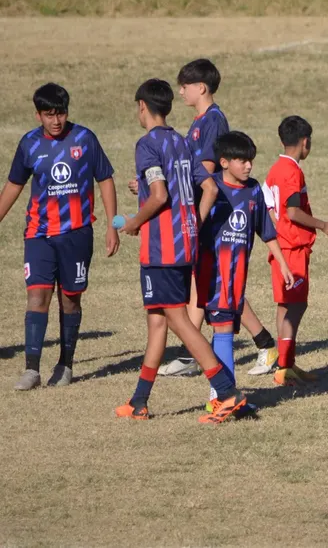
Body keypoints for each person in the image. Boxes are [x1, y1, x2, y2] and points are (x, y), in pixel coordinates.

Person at [115, 79, 247, 423]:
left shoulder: (147, 145)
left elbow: (158, 195)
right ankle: (139, 402)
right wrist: (193, 222)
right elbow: (208, 187)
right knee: (157, 322)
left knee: (177, 320)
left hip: (162, 249)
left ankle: (226, 390)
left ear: (142, 106)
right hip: (183, 243)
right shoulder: (180, 140)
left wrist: (133, 222)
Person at [156, 59, 278, 378]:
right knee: (213, 282)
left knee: (214, 281)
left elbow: (208, 170)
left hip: (214, 209)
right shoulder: (199, 121)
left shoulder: (212, 120)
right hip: (200, 207)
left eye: (184, 86)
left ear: (201, 88)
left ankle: (194, 352)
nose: (180, 91)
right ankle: (254, 343)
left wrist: (177, 193)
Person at [0, 83, 119, 390]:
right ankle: (31, 369)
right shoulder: (28, 144)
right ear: (38, 114)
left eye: (61, 113)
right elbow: (14, 185)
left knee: (70, 299)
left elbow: (105, 179)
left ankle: (65, 364)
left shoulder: (84, 139)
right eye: (49, 115)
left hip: (76, 234)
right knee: (37, 296)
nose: (56, 121)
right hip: (38, 234)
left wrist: (111, 225)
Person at [196, 132, 294, 410]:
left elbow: (266, 232)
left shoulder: (253, 191)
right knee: (218, 330)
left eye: (250, 160)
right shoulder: (208, 188)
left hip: (236, 277)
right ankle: (221, 396)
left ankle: (222, 395)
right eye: (242, 161)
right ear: (224, 162)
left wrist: (283, 263)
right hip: (211, 275)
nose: (249, 166)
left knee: (223, 331)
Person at [264, 116, 328, 386]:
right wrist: (322, 225)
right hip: (292, 248)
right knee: (297, 304)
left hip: (280, 246)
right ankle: (283, 366)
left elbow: (271, 208)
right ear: (305, 142)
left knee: (285, 304)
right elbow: (293, 212)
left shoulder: (274, 169)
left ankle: (287, 363)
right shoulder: (292, 172)